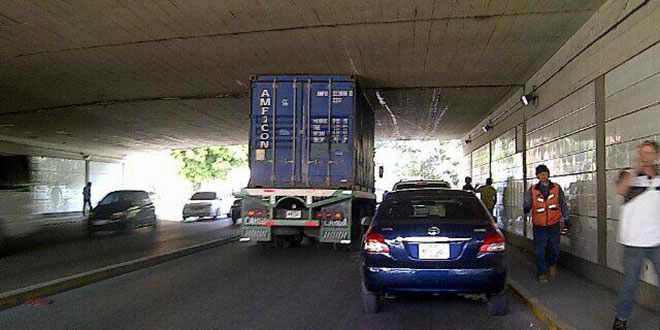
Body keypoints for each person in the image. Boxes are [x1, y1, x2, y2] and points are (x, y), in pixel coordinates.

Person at [612, 141, 660, 330]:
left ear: (656, 155)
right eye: (642, 152)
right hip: (634, 241)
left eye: (649, 153)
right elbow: (620, 190)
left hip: (657, 240)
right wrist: (634, 169)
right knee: (630, 283)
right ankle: (621, 319)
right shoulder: (628, 174)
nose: (645, 156)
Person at [524, 164, 570, 282]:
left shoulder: (556, 188)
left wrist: (566, 218)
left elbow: (563, 204)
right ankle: (542, 272)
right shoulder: (533, 190)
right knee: (539, 250)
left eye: (545, 173)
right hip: (539, 226)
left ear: (548, 174)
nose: (543, 175)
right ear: (537, 176)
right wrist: (526, 207)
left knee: (554, 248)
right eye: (540, 174)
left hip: (553, 224)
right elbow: (527, 202)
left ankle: (552, 264)